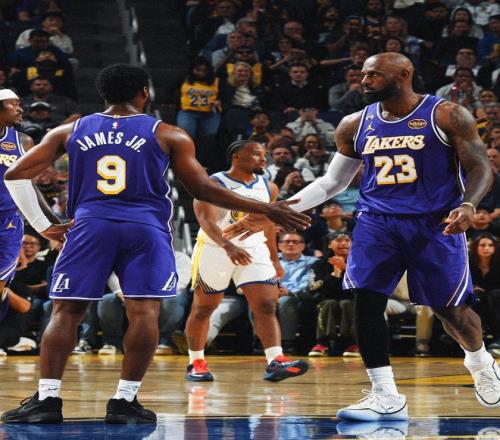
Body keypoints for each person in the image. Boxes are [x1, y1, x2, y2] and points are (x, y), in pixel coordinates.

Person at [0, 63, 310, 425]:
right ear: (144, 93)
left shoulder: (70, 130)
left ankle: (47, 399)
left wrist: (45, 226)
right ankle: (124, 401)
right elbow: (202, 188)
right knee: (144, 313)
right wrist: (265, 207)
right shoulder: (169, 133)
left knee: (66, 312)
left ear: (103, 94)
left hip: (90, 226)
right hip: (145, 228)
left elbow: (15, 174)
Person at [223, 52, 500, 420]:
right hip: (376, 221)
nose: (363, 81)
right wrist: (275, 210)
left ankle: (479, 361)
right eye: (363, 75)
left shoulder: (445, 114)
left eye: (373, 75)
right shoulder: (354, 124)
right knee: (366, 300)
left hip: (434, 221)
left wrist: (468, 205)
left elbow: (480, 166)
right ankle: (385, 394)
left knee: (450, 310)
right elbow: (332, 182)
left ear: (403, 74)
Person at [184, 139, 308, 382]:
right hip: (215, 248)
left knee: (266, 304)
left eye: (264, 155)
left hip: (254, 248)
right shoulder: (212, 183)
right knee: (204, 307)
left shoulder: (269, 187)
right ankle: (196, 362)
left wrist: (275, 259)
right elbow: (205, 220)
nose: (263, 159)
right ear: (236, 157)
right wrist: (228, 246)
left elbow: (268, 224)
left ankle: (275, 360)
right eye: (256, 154)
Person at [0, 88, 58, 325]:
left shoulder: (23, 142)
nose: (20, 109)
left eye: (19, 103)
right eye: (14, 104)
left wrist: (53, 222)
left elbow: (29, 187)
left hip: (9, 223)